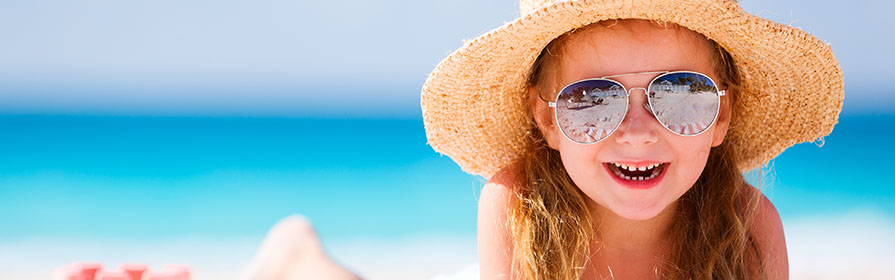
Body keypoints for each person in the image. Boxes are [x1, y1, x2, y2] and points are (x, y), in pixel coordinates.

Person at [244, 0, 843, 279]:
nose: (637, 132)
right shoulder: (517, 206)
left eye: (680, 94)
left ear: (722, 116)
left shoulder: (748, 226)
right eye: (591, 101)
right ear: (547, 120)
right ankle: (297, 253)